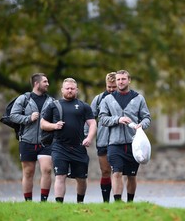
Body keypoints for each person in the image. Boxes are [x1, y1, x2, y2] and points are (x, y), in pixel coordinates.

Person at [40, 78, 96, 203]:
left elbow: (92, 124)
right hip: (59, 146)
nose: (70, 90)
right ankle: (59, 205)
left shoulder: (83, 106)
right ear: (62, 90)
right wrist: (54, 126)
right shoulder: (53, 105)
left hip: (78, 147)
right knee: (60, 176)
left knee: (81, 178)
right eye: (67, 88)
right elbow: (43, 124)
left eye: (72, 88)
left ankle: (80, 202)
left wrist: (89, 138)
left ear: (76, 90)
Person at [99, 70, 151, 202]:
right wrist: (117, 119)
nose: (120, 82)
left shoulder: (138, 98)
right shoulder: (108, 99)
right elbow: (102, 119)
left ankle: (130, 202)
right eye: (118, 80)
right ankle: (117, 202)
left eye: (123, 79)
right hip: (114, 143)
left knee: (131, 175)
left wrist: (141, 125)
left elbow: (147, 118)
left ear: (129, 80)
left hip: (133, 143)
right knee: (116, 172)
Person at [9, 73, 54, 202]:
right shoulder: (24, 99)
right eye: (45, 81)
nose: (47, 84)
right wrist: (28, 118)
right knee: (28, 172)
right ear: (36, 84)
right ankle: (28, 202)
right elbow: (13, 116)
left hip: (46, 142)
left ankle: (43, 201)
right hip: (27, 141)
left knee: (47, 169)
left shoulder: (51, 101)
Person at [90, 72, 117, 202]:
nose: (111, 90)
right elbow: (89, 119)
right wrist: (87, 136)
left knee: (118, 172)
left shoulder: (124, 98)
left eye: (114, 87)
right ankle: (106, 202)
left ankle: (119, 199)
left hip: (119, 140)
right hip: (103, 140)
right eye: (109, 87)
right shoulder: (99, 99)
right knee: (105, 171)